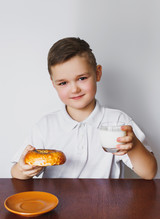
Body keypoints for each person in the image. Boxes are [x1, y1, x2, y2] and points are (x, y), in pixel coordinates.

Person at [11, 37, 157, 180]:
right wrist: (23, 169)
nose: (74, 89)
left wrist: (134, 146)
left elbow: (149, 173)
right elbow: (16, 173)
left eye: (82, 78)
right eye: (63, 83)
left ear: (97, 73)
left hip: (106, 202)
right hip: (57, 202)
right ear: (53, 84)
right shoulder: (46, 126)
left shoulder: (118, 122)